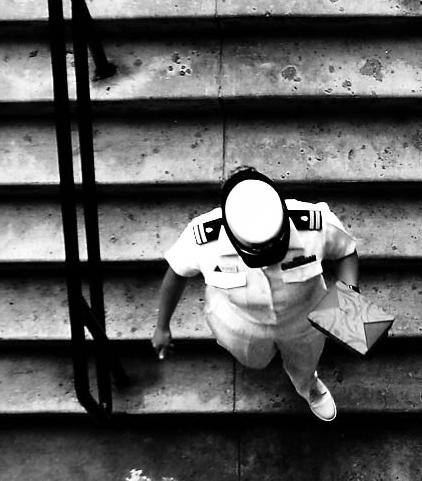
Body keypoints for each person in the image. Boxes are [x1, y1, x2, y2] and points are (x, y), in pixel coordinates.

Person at [151, 167, 360, 421]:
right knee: (254, 361)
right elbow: (176, 272)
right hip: (239, 324)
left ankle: (309, 385)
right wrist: (162, 326)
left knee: (306, 360)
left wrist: (349, 297)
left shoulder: (314, 222)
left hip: (305, 317)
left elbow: (345, 251)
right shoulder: (202, 238)